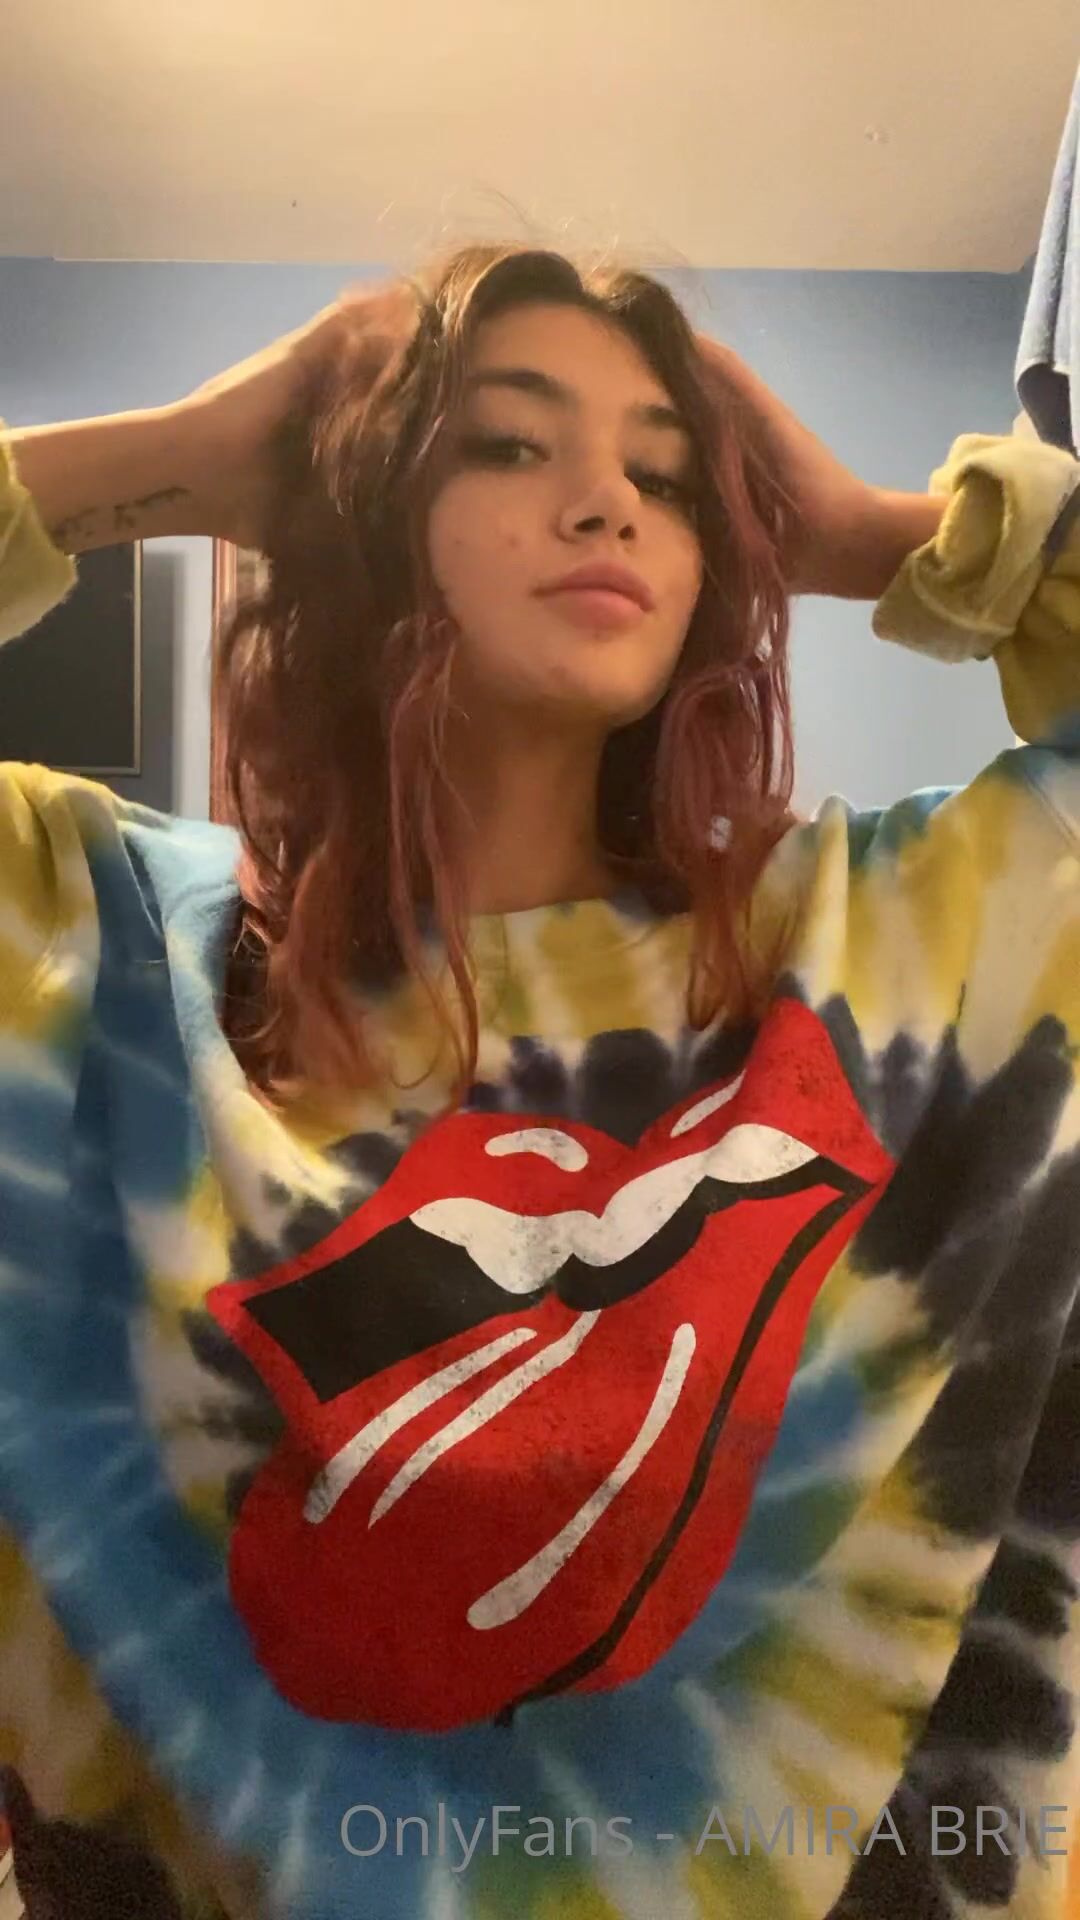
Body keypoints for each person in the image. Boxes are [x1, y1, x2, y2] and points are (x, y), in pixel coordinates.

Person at [0, 243, 1078, 1920]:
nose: (605, 502)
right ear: (363, 510)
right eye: (507, 442)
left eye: (666, 475)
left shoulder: (880, 945)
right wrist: (196, 458)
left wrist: (878, 537)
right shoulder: (97, 937)